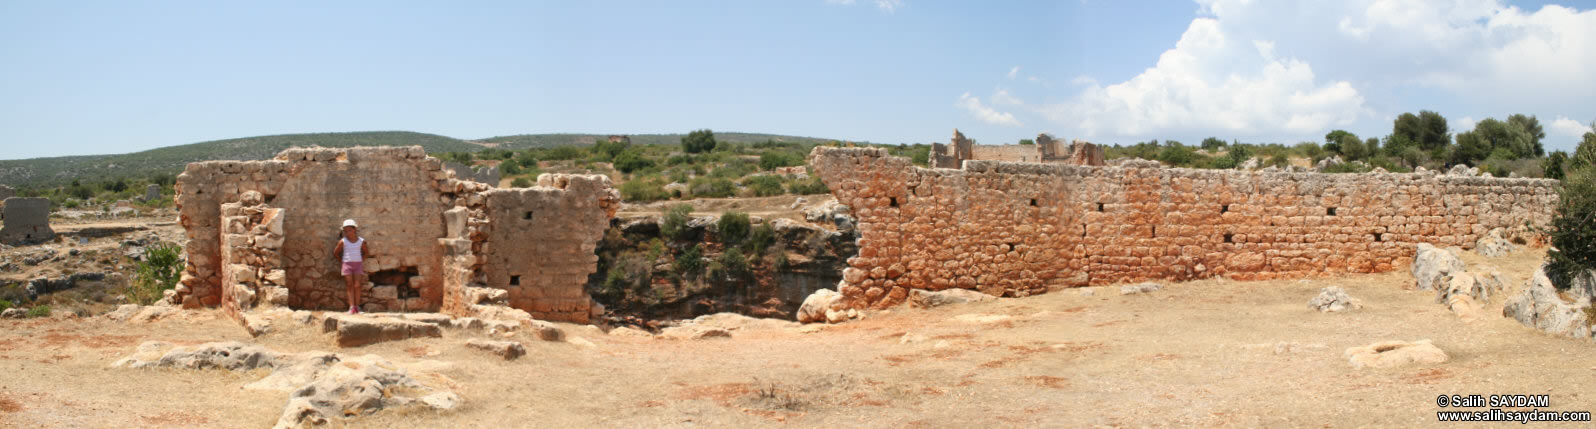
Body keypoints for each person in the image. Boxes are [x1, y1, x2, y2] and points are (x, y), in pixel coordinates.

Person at [333, 219, 371, 314]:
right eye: (345, 231)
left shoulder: (361, 241)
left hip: (358, 264)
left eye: (349, 230)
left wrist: (361, 260)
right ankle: (351, 307)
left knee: (357, 285)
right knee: (349, 285)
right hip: (347, 264)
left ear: (354, 230)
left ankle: (357, 307)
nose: (347, 232)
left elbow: (366, 253)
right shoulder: (343, 241)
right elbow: (336, 253)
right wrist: (342, 261)